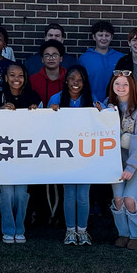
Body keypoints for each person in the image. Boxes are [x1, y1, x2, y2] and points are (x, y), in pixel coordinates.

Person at [0, 63, 42, 243]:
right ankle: (8, 229)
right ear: (5, 78)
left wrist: (37, 113)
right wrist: (0, 112)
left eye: (20, 75)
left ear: (25, 78)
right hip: (4, 154)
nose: (16, 79)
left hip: (26, 154)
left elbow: (45, 125)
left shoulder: (33, 97)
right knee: (6, 194)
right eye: (12, 75)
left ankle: (20, 229)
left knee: (20, 193)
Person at [48, 64, 100, 246]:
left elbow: (100, 125)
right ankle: (70, 231)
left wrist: (101, 112)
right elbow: (44, 125)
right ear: (66, 80)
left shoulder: (92, 99)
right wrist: (50, 112)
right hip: (65, 154)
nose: (75, 83)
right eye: (72, 79)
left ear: (84, 82)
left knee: (83, 194)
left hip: (86, 154)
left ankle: (83, 231)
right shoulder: (56, 99)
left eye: (79, 80)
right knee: (69, 193)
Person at [107, 70, 137, 249]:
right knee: (118, 199)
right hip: (115, 163)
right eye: (117, 84)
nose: (121, 87)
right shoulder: (107, 108)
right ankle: (123, 233)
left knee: (130, 199)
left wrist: (132, 166)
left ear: (132, 87)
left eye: (125, 84)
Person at [78, 21, 119, 107]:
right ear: (94, 37)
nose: (104, 38)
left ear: (111, 37)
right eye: (100, 35)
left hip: (116, 105)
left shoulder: (120, 58)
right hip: (91, 105)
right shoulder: (84, 59)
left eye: (107, 35)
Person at [29, 39, 68, 105]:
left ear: (61, 58)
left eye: (55, 55)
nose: (51, 58)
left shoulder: (69, 79)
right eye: (47, 55)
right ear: (42, 59)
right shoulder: (32, 80)